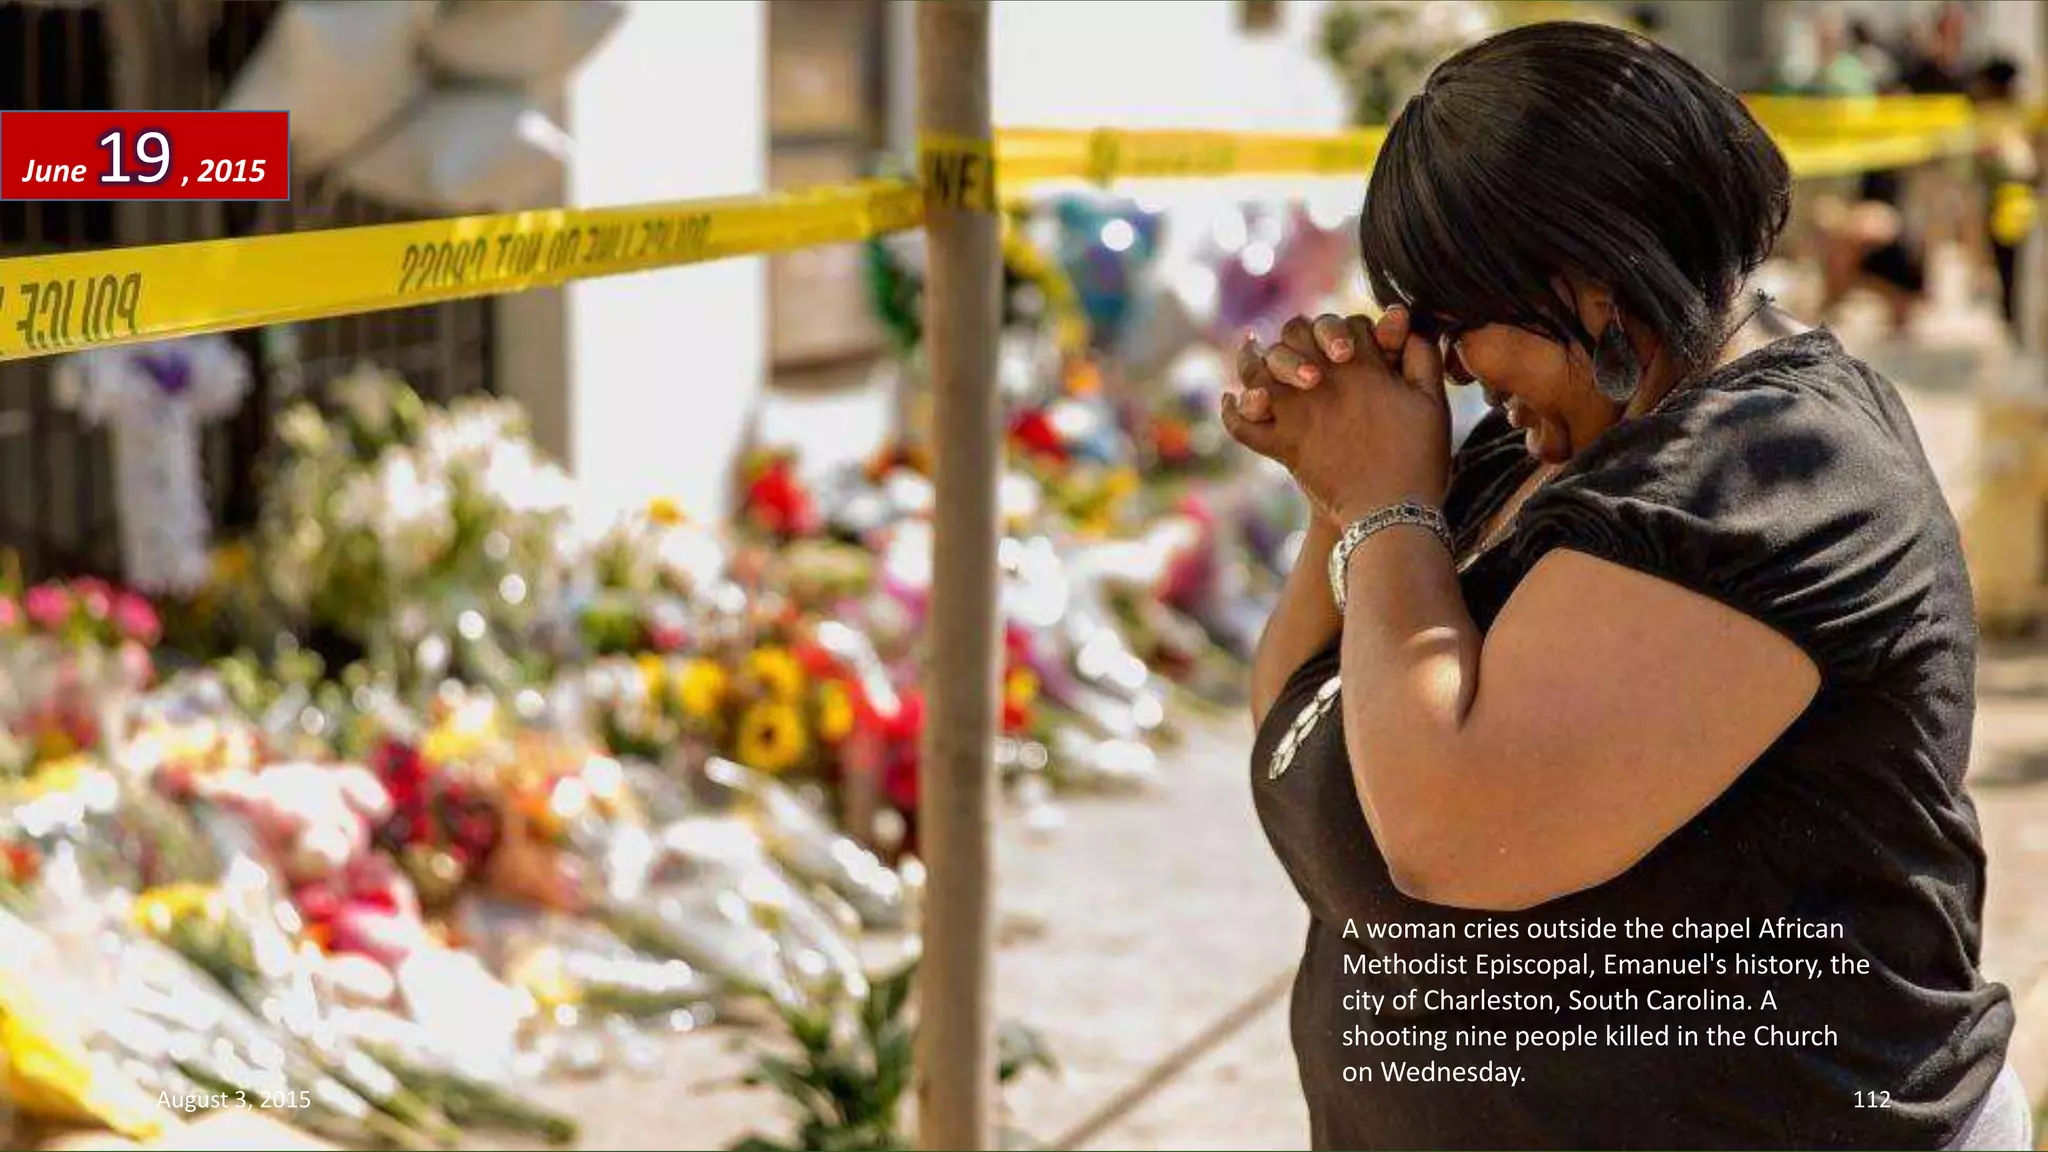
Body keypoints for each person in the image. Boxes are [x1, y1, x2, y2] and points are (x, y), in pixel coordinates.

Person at [1221, 22, 2022, 1150]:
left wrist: (1382, 507)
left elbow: (1455, 833)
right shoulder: (1532, 451)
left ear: (1587, 283)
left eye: (1453, 316)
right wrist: (1336, 491)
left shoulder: (1776, 472)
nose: (1440, 364)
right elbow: (1301, 719)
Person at [1968, 56, 2038, 335]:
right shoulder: (1994, 115)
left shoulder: (2018, 116)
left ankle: (2017, 323)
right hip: (2003, 202)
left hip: (2017, 203)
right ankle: (2014, 322)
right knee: (2009, 270)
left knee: (2018, 271)